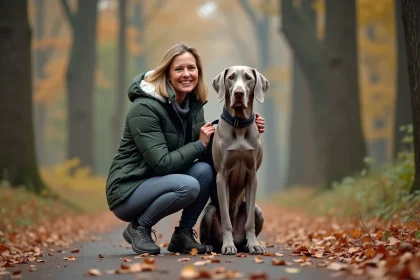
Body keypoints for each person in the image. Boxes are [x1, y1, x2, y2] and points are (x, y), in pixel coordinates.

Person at [105, 43, 266, 255]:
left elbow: (209, 157)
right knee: (189, 185)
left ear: (198, 72)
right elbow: (162, 164)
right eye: (179, 69)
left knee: (205, 172)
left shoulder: (193, 106)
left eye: (192, 68)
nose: (186, 74)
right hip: (128, 189)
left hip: (160, 181)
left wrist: (244, 128)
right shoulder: (144, 108)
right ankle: (138, 228)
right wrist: (199, 143)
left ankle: (183, 234)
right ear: (167, 74)